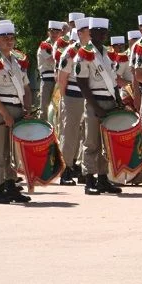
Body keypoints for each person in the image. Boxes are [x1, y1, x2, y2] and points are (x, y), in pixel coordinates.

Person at [75, 17, 123, 195]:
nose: (103, 35)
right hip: (95, 101)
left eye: (105, 32)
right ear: (91, 33)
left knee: (106, 144)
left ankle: (103, 179)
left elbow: (113, 80)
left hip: (109, 100)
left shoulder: (107, 53)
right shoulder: (84, 53)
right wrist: (96, 107)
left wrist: (118, 100)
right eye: (99, 32)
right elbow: (82, 82)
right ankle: (89, 180)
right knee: (91, 142)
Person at [0, 20, 32, 204]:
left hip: (17, 108)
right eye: (4, 37)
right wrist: (5, 114)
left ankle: (11, 186)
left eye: (11, 37)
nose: (9, 40)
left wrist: (27, 109)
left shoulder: (18, 61)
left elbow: (27, 88)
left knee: (14, 151)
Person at [57, 17, 90, 185]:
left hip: (88, 97)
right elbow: (62, 78)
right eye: (88, 31)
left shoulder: (94, 51)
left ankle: (85, 169)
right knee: (69, 135)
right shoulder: (70, 52)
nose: (91, 34)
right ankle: (65, 170)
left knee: (87, 134)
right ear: (79, 33)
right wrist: (64, 100)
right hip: (72, 96)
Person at [37, 20, 65, 118]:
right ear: (48, 32)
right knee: (44, 107)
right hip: (47, 79)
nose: (54, 34)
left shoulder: (62, 46)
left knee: (59, 107)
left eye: (57, 32)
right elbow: (53, 60)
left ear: (61, 33)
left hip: (59, 79)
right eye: (52, 32)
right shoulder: (45, 46)